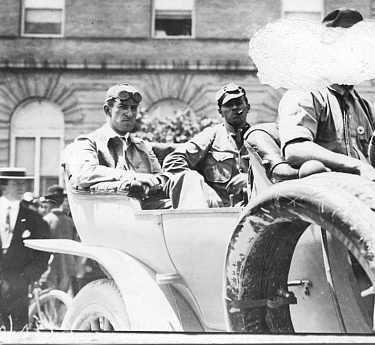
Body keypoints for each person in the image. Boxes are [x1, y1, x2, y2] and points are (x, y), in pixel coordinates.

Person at [277, 8, 375, 190]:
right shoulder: (305, 95)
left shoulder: (368, 110)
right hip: (325, 200)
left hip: (366, 195)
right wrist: (357, 166)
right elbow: (295, 149)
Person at [66, 83, 220, 209]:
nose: (129, 113)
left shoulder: (142, 146)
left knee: (190, 177)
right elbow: (83, 174)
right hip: (115, 211)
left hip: (148, 210)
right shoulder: (88, 142)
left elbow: (161, 176)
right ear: (108, 110)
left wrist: (158, 181)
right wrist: (136, 177)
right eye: (123, 107)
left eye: (133, 108)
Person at [0, 167, 50, 330]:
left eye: (23, 183)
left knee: (16, 336)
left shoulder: (34, 219)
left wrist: (26, 278)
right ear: (3, 186)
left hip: (17, 292)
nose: (21, 187)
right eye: (16, 183)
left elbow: (43, 255)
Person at [163, 84, 251, 206]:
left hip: (256, 213)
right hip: (219, 215)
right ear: (220, 112)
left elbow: (278, 175)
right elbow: (173, 161)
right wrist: (203, 190)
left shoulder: (260, 137)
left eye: (239, 102)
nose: (235, 107)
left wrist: (250, 180)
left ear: (248, 107)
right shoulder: (212, 136)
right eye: (229, 105)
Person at [39, 186, 77, 294]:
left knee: (50, 295)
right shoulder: (69, 221)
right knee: (63, 297)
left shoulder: (46, 220)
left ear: (49, 202)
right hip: (68, 263)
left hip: (51, 264)